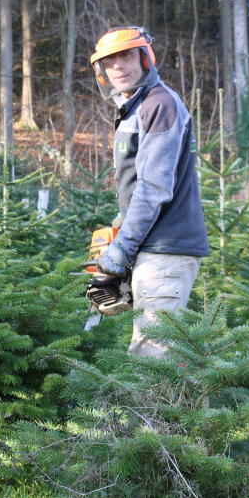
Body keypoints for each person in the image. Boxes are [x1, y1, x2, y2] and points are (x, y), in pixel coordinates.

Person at [90, 26, 210, 358]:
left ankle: (163, 412)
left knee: (154, 357)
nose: (118, 66)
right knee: (156, 354)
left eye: (126, 56)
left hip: (166, 248)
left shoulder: (159, 104)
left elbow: (154, 186)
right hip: (150, 247)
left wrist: (120, 252)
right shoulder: (134, 108)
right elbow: (134, 184)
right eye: (110, 60)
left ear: (145, 57)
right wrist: (119, 231)